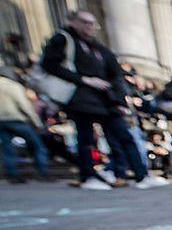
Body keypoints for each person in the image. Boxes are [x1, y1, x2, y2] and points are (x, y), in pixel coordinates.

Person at [40, 10, 165, 189]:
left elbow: (116, 75)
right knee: (86, 138)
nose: (89, 27)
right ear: (72, 22)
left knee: (123, 136)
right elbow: (49, 65)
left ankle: (140, 175)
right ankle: (88, 177)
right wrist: (83, 79)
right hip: (82, 97)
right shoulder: (64, 40)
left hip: (106, 99)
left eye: (92, 23)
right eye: (84, 22)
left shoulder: (98, 48)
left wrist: (121, 102)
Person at [0, 66, 49, 183]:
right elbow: (25, 106)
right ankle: (43, 173)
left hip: (0, 122)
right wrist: (37, 124)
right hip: (16, 119)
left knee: (7, 149)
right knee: (38, 146)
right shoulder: (13, 86)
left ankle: (13, 174)